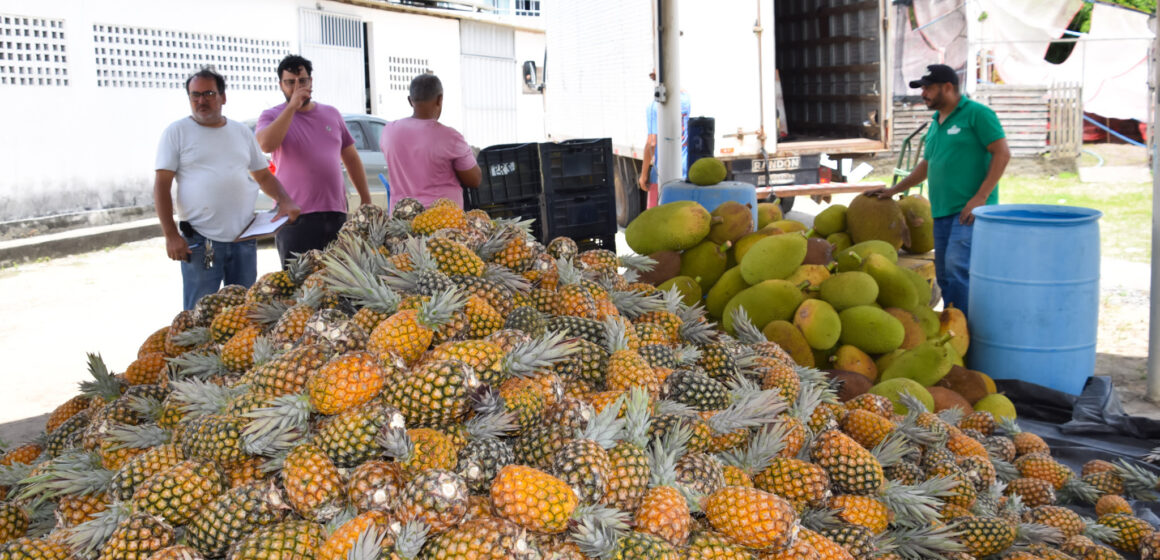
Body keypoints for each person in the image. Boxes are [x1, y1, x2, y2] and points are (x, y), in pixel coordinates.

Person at [154, 68, 301, 311]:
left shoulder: (241, 132)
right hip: (202, 242)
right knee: (200, 315)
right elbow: (161, 185)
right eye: (195, 95)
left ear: (223, 97)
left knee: (244, 313)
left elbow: (263, 175)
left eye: (209, 93)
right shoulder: (176, 133)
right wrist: (170, 235)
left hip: (243, 239)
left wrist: (284, 200)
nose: (202, 100)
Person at [869, 64, 1010, 316]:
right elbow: (926, 165)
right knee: (944, 273)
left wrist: (980, 198)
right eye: (922, 88)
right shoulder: (936, 122)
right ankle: (954, 324)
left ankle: (966, 328)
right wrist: (893, 190)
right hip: (942, 212)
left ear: (948, 87)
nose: (923, 93)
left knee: (958, 268)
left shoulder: (978, 114)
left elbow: (1002, 153)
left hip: (969, 210)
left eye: (928, 88)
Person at [256, 55, 371, 267]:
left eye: (303, 81)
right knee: (299, 286)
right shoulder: (271, 115)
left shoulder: (331, 114)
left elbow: (352, 159)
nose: (297, 87)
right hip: (294, 216)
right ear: (281, 85)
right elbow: (265, 145)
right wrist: (291, 107)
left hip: (334, 213)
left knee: (340, 281)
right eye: (290, 82)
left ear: (311, 82)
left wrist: (365, 199)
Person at [378, 73, 481, 210]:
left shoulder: (389, 131)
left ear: (410, 101)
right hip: (443, 223)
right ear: (440, 99)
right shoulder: (450, 136)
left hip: (401, 220)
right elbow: (474, 180)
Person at [638, 69, 691, 208]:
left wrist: (643, 175)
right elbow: (681, 91)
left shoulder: (654, 107)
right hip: (684, 172)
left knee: (656, 220)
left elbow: (652, 143)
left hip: (662, 174)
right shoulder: (686, 101)